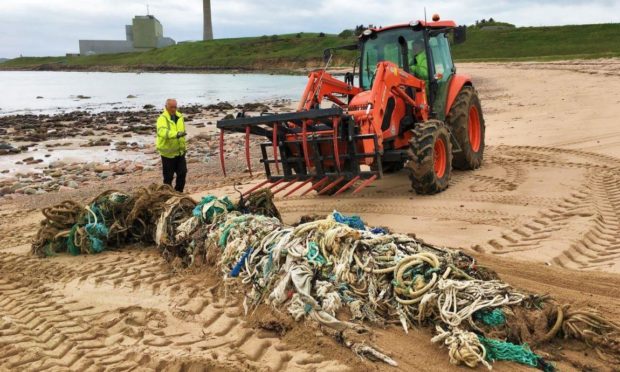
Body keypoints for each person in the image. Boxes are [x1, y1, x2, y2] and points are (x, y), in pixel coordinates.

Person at [156, 98, 187, 192]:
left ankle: (179, 192)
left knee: (182, 173)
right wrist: (176, 134)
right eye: (171, 107)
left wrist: (184, 145)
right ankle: (167, 194)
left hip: (180, 152)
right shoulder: (162, 118)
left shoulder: (180, 117)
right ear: (166, 107)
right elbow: (162, 132)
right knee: (168, 177)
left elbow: (182, 132)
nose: (173, 109)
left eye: (175, 107)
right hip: (167, 153)